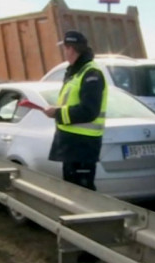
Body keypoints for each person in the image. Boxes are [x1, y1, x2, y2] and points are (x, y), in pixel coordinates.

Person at [43, 30, 107, 191]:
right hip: (73, 145)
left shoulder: (91, 73)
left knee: (82, 196)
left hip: (83, 146)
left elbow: (89, 111)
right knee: (73, 192)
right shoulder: (76, 72)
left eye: (65, 48)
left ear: (71, 49)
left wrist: (57, 113)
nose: (64, 53)